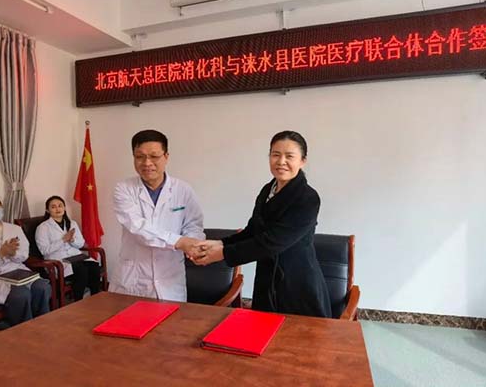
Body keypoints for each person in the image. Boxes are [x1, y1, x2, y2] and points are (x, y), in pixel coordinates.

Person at [192, 131, 332, 318]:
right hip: (266, 281)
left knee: (297, 335)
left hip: (297, 284)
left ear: (302, 161)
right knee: (262, 332)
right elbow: (253, 231)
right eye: (275, 155)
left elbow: (272, 242)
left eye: (289, 156)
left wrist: (222, 253)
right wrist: (220, 243)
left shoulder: (308, 198)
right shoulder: (268, 190)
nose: (281, 161)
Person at [109, 129, 205, 302]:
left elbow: (193, 225)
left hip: (170, 279)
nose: (147, 163)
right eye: (140, 157)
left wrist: (194, 245)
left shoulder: (183, 190)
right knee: (128, 318)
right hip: (133, 280)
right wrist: (180, 242)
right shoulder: (123, 189)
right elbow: (138, 227)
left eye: (154, 156)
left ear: (166, 157)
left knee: (171, 319)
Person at [0, 194, 51, 326]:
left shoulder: (14, 229)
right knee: (21, 294)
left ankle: (43, 325)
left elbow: (24, 255)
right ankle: (24, 331)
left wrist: (13, 254)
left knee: (42, 287)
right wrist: (0, 254)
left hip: (16, 272)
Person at [35, 195, 101, 301]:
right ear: (47, 210)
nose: (57, 209)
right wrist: (63, 240)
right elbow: (44, 250)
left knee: (94, 266)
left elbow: (81, 243)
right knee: (81, 270)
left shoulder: (72, 223)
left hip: (76, 256)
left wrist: (72, 240)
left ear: (64, 208)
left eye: (60, 205)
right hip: (58, 260)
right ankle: (78, 301)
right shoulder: (42, 228)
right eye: (53, 207)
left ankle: (94, 299)